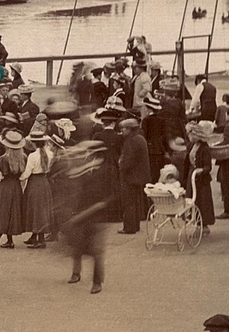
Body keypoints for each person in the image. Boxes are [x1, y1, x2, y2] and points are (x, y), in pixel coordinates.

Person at [64, 145, 108, 294]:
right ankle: (76, 273)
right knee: (77, 246)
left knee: (96, 250)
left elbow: (111, 194)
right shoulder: (80, 171)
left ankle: (97, 282)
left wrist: (103, 204)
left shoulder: (105, 171)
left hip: (98, 216)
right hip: (80, 215)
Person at [0, 130, 30, 248]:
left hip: (5, 186)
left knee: (3, 211)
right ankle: (9, 240)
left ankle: (0, 236)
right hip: (16, 186)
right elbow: (24, 175)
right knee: (13, 212)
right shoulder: (23, 157)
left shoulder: (3, 159)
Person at [21, 127, 56, 247]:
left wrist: (19, 178)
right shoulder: (50, 154)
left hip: (34, 183)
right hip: (45, 182)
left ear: (33, 143)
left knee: (34, 210)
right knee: (41, 210)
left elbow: (27, 173)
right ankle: (35, 235)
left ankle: (40, 239)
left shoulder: (32, 156)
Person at [117, 118, 149, 234]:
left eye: (124, 128)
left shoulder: (131, 141)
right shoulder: (140, 138)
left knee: (128, 202)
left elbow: (128, 161)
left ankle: (129, 227)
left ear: (130, 129)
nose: (122, 131)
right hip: (138, 176)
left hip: (130, 176)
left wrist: (121, 166)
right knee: (135, 202)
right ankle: (135, 225)